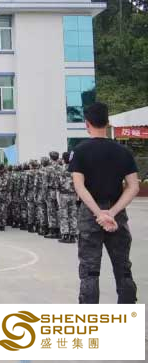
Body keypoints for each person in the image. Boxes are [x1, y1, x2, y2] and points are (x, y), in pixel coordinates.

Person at [68, 102, 139, 304]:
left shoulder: (80, 151)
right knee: (123, 268)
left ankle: (91, 318)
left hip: (91, 215)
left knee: (90, 271)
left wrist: (99, 213)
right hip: (117, 215)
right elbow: (133, 186)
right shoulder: (123, 151)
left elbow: (80, 187)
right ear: (108, 122)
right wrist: (112, 212)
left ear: (87, 123)